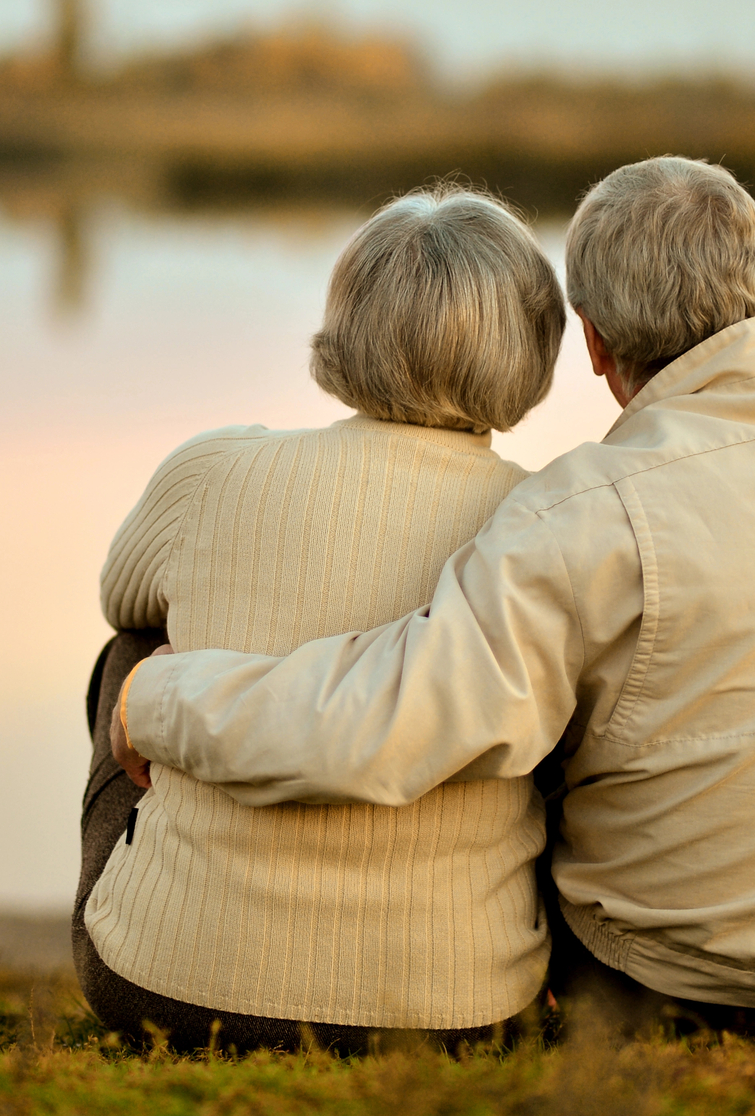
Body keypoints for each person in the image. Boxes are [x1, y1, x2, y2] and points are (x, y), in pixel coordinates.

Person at [115, 156, 755, 1044]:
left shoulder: (583, 511)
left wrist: (154, 695)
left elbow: (394, 718)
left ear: (589, 341)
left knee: (551, 693)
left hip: (667, 983)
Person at [76, 184, 567, 1053]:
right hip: (460, 1007)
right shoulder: (547, 521)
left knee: (133, 652)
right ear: (534, 346)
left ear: (345, 326)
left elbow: (123, 596)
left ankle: (177, 898)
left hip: (167, 986)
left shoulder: (212, 470)